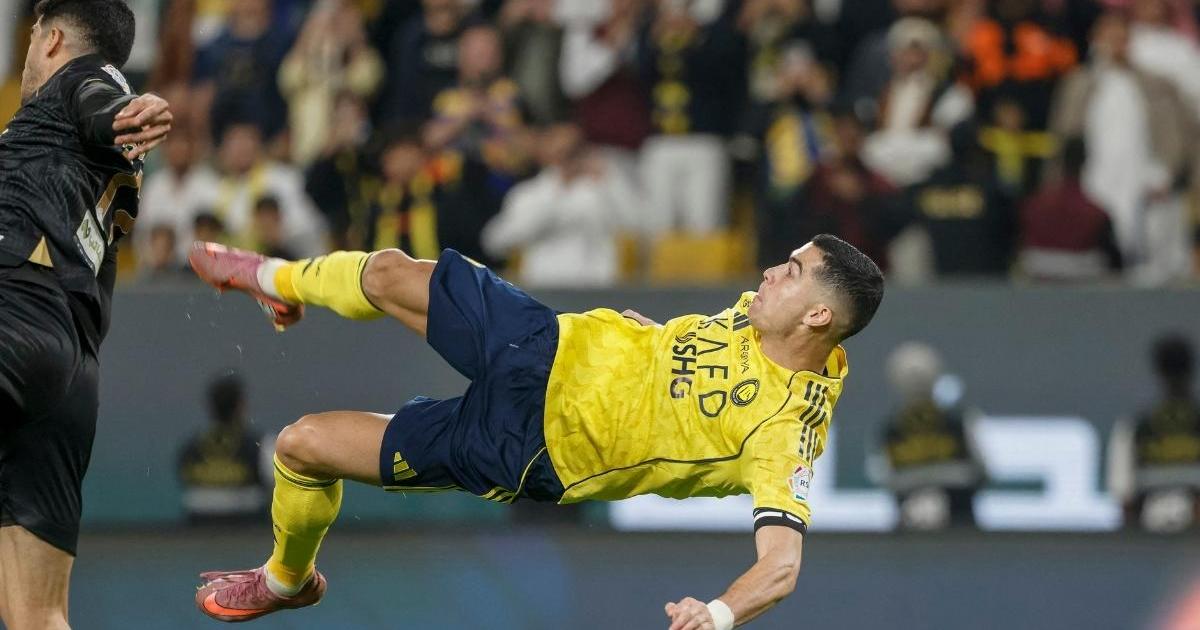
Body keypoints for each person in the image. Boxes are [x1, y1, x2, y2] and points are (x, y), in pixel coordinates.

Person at [187, 232, 884, 627]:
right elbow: (692, 362)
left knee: (301, 446)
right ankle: (276, 278)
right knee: (390, 272)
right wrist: (651, 341)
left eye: (791, 272)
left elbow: (782, 566)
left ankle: (287, 580)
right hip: (547, 344)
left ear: (818, 317)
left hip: (525, 447)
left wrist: (719, 614)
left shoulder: (784, 430)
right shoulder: (762, 314)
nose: (770, 272)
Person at [0, 1, 173, 628]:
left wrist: (128, 111)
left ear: (51, 38)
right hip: (71, 367)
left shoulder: (81, 80)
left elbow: (103, 103)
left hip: (12, 313)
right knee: (40, 614)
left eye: (30, 39)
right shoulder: (94, 155)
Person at [178, 374, 272, 524]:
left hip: (199, 527)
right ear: (240, 406)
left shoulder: (189, 448)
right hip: (246, 528)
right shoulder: (260, 446)